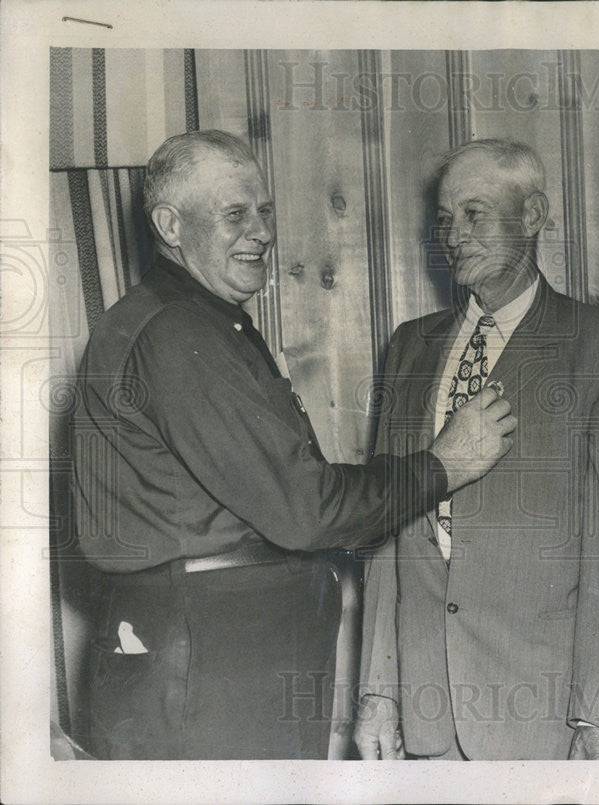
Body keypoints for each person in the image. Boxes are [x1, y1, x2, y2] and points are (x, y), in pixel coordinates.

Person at [71, 130, 515, 760]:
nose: (260, 231)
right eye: (234, 214)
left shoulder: (189, 319)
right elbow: (307, 509)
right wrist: (444, 464)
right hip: (210, 672)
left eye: (266, 210)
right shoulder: (178, 332)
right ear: (170, 225)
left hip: (212, 662)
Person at [354, 139, 599, 760]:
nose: (455, 235)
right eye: (445, 220)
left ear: (535, 215)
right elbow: (388, 532)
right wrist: (378, 692)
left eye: (475, 214)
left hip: (544, 709)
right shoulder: (410, 348)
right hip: (426, 705)